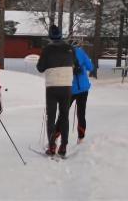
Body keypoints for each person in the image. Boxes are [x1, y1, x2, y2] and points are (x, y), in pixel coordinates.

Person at [36, 25, 76, 157]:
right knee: (64, 116)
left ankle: (52, 146)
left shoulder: (47, 50)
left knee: (51, 117)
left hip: (52, 86)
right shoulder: (70, 48)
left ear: (50, 36)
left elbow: (40, 68)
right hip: (66, 86)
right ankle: (64, 146)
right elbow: (75, 65)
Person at [70, 41, 93, 143]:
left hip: (70, 88)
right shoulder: (81, 52)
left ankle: (55, 139)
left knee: (63, 113)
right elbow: (90, 67)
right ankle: (81, 138)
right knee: (81, 113)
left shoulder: (65, 54)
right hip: (83, 88)